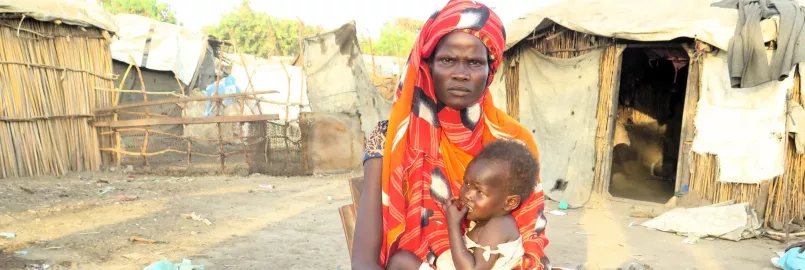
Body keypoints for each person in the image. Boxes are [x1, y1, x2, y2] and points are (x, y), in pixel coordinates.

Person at [351, 0, 550, 269]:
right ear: (428, 65)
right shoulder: (391, 138)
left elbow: (531, 241)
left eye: (474, 62)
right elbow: (364, 261)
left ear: (489, 71)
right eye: (447, 60)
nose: (461, 74)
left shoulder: (514, 144)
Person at [387, 140, 538, 270]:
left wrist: (453, 224)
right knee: (402, 260)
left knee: (402, 261)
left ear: (509, 202)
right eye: (466, 183)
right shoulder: (484, 221)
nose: (467, 194)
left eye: (479, 191)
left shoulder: (499, 225)